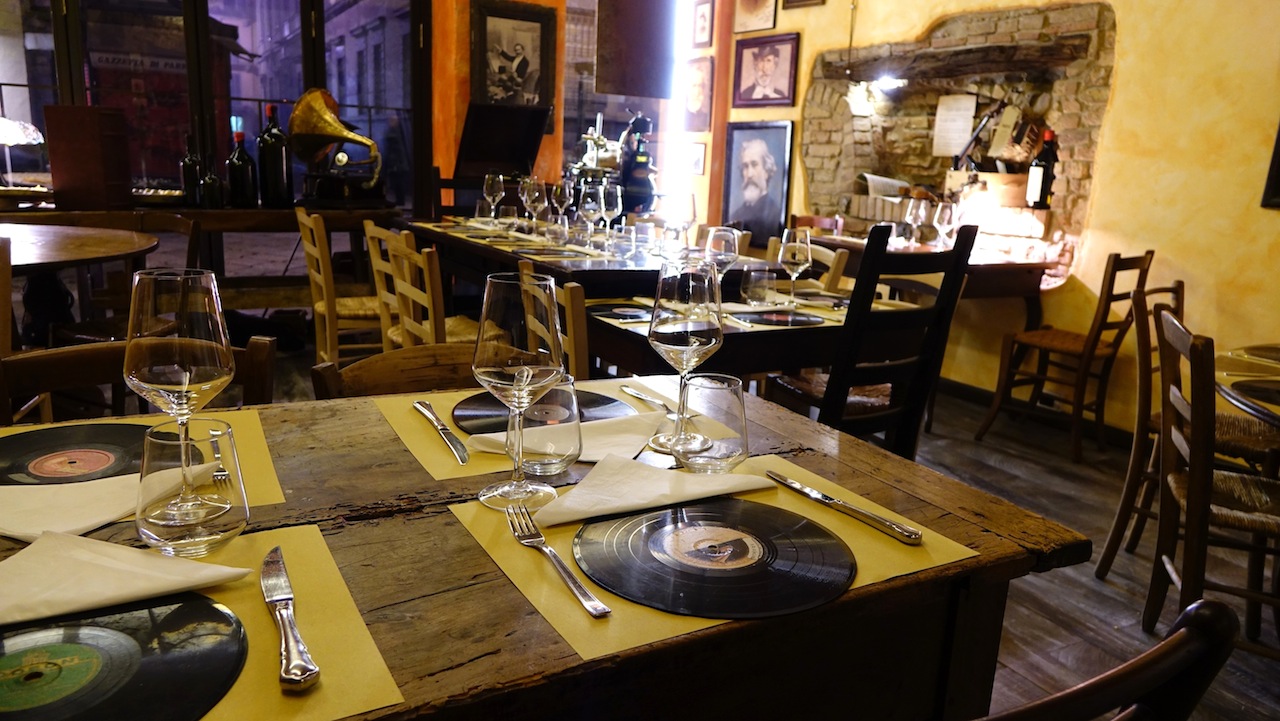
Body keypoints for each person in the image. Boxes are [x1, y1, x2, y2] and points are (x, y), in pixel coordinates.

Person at [728, 137, 782, 244]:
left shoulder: (775, 215)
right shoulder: (736, 215)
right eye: (745, 166)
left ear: (766, 171)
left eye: (754, 165)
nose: (749, 174)